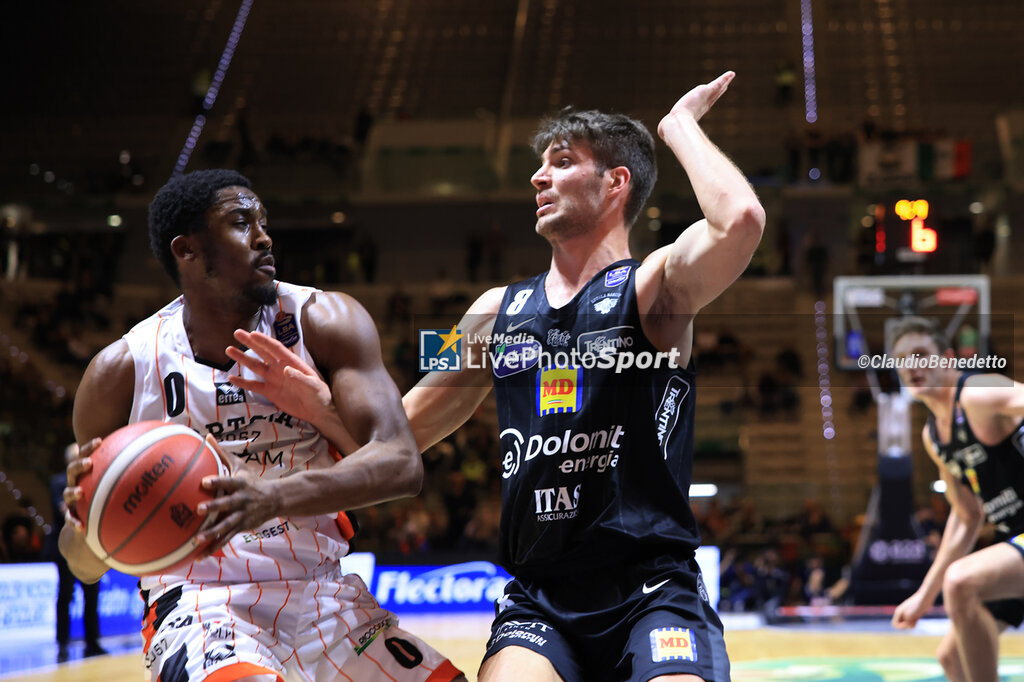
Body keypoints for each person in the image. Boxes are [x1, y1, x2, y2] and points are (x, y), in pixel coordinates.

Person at [231, 72, 764, 681]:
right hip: (540, 603)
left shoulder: (654, 286)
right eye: (540, 165)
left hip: (652, 589)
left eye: (562, 162)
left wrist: (679, 127)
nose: (538, 177)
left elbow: (740, 219)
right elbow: (396, 440)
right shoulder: (491, 312)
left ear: (616, 183)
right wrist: (324, 406)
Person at [59, 169, 464, 682]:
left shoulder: (325, 320)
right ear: (187, 251)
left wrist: (276, 491)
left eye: (263, 221)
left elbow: (402, 465)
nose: (264, 236)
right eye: (240, 222)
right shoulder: (120, 372)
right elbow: (84, 565)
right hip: (201, 605)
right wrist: (87, 521)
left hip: (326, 594)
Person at [889, 316, 1024, 682]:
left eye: (921, 354)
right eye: (903, 359)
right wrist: (923, 595)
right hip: (1015, 537)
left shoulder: (977, 391)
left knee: (962, 581)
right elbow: (966, 517)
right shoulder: (933, 436)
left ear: (946, 359)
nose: (913, 366)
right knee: (952, 658)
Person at [45, 443, 104, 662]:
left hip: (89, 546)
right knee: (65, 596)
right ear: (70, 461)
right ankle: (62, 644)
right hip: (65, 548)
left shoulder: (93, 480)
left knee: (92, 596)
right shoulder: (59, 481)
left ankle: (92, 642)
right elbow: (63, 511)